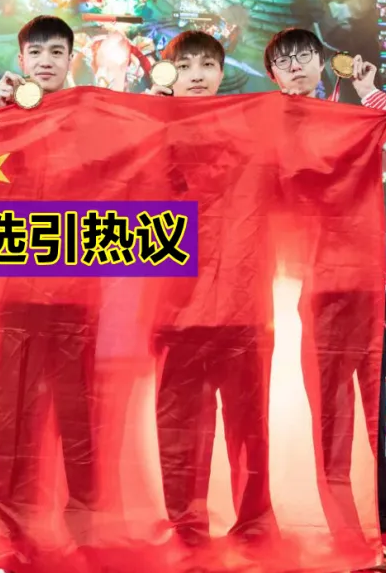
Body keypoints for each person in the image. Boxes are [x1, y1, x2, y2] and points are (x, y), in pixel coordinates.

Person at [264, 28, 386, 565]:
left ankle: (382, 525)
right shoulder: (263, 127)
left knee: (372, 414)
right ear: (272, 74)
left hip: (362, 287)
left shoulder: (351, 120)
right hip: (302, 289)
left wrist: (369, 94)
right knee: (326, 415)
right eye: (284, 60)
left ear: (323, 65)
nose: (295, 65)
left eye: (304, 56)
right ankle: (334, 522)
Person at [143, 31, 278, 552]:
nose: (197, 75)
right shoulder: (148, 125)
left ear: (222, 72)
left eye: (207, 65)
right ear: (168, 73)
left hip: (243, 304)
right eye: (185, 66)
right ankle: (186, 528)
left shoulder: (251, 126)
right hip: (176, 308)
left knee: (250, 427)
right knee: (180, 429)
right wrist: (148, 123)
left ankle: (255, 525)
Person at [0, 16, 100, 569]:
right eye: (36, 52)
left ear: (71, 59)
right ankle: (9, 534)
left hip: (78, 298)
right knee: (13, 423)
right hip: (15, 298)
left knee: (80, 422)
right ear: (22, 59)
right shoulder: (2, 118)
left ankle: (85, 534)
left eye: (57, 51)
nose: (46, 61)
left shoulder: (94, 117)